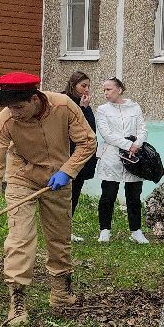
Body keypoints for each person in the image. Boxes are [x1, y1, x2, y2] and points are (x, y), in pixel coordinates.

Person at [0, 72, 97, 325]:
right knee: (20, 238)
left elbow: (87, 142)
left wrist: (67, 170)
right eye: (10, 108)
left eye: (19, 107)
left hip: (57, 180)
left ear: (34, 99)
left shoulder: (64, 106)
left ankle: (61, 293)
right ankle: (17, 301)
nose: (14, 113)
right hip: (23, 179)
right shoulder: (6, 120)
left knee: (59, 237)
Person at [93, 77, 150, 244]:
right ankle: (105, 229)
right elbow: (106, 133)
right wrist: (128, 145)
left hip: (134, 157)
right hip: (112, 156)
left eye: (109, 89)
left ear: (119, 89)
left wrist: (137, 144)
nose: (105, 93)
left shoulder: (134, 107)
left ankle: (136, 230)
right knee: (108, 194)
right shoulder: (102, 110)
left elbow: (142, 128)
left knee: (134, 194)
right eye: (104, 90)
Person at [63, 71, 98, 239]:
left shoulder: (84, 103)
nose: (86, 89)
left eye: (88, 86)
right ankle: (59, 229)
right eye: (83, 86)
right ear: (73, 84)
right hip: (66, 152)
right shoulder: (64, 100)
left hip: (82, 154)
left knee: (75, 192)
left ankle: (67, 230)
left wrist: (85, 108)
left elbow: (90, 128)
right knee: (64, 194)